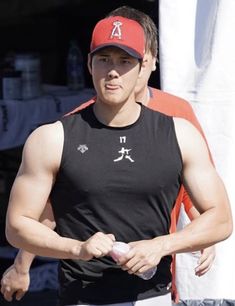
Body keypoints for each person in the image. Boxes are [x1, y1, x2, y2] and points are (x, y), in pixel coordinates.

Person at [4, 14, 233, 306]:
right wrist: (77, 248)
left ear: (142, 68)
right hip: (82, 298)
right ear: (89, 64)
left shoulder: (178, 132)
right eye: (105, 59)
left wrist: (161, 246)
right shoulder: (52, 138)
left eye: (125, 61)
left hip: (154, 297)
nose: (113, 71)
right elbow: (17, 225)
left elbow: (221, 218)